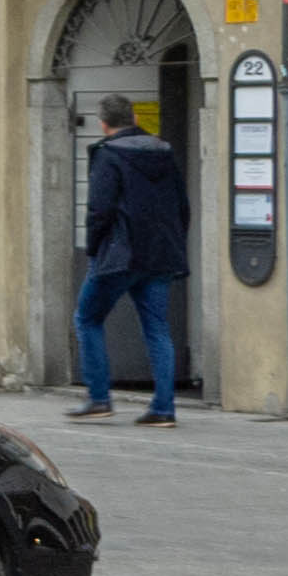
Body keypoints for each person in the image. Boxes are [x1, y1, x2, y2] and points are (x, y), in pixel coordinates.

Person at [72, 97, 191, 423]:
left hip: (119, 254)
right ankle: (164, 408)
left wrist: (95, 248)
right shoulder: (164, 152)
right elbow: (182, 205)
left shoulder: (108, 154)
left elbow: (99, 209)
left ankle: (99, 399)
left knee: (87, 319)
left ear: (103, 123)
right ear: (134, 117)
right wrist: (173, 242)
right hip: (159, 254)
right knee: (157, 329)